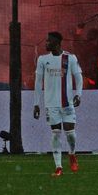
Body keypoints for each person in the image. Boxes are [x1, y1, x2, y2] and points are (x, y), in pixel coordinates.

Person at [33, 31, 83, 177]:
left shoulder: (70, 58)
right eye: (46, 41)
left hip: (67, 103)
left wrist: (78, 95)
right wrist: (36, 103)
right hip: (51, 104)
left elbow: (78, 77)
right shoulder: (42, 60)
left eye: (49, 41)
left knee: (70, 135)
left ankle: (72, 154)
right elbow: (38, 82)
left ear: (57, 43)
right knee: (55, 134)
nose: (46, 43)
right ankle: (58, 166)